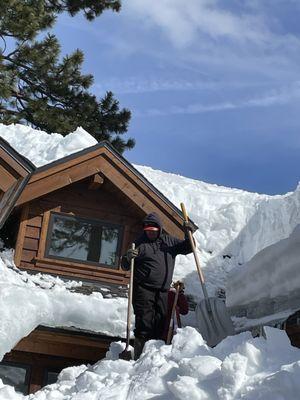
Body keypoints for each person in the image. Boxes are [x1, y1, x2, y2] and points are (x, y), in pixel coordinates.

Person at [122, 212, 195, 360]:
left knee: (161, 322)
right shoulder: (140, 244)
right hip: (143, 289)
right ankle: (139, 355)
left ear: (159, 229)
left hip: (162, 290)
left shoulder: (169, 242)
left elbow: (189, 248)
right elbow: (124, 265)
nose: (150, 234)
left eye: (153, 231)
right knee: (144, 322)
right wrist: (127, 257)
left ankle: (153, 357)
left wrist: (189, 233)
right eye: (148, 231)